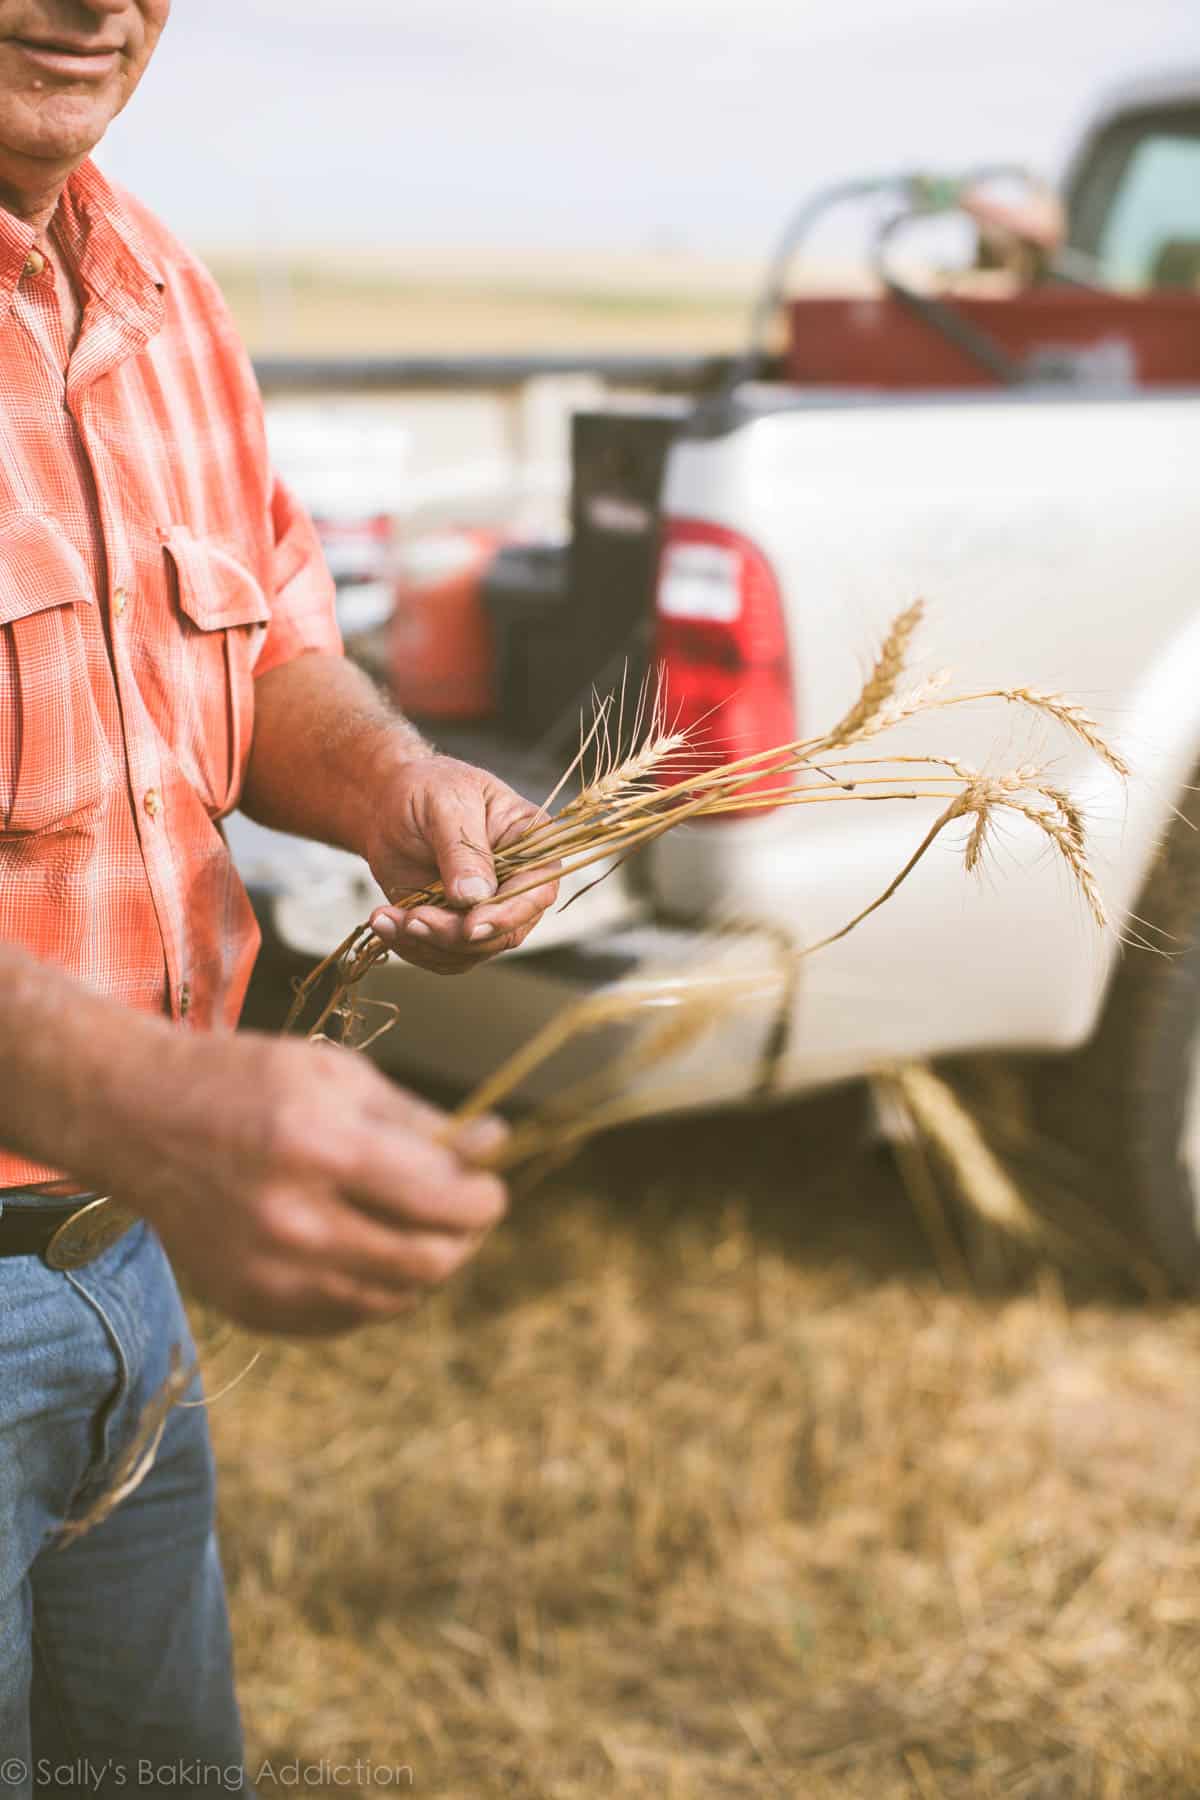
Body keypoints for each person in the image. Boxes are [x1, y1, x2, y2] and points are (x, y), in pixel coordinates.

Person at [0, 4, 558, 1789]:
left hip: (124, 1273)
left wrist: (397, 785)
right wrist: (148, 1097)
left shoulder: (155, 280)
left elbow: (267, 656)